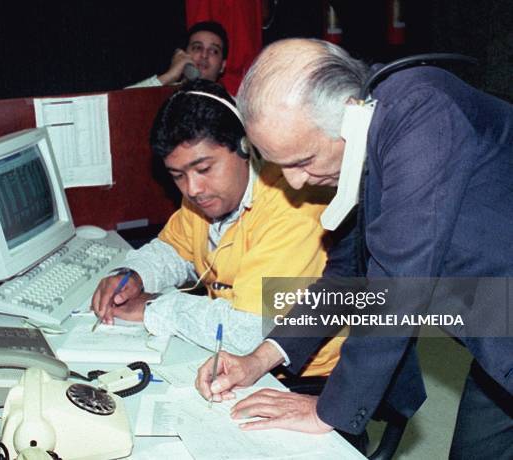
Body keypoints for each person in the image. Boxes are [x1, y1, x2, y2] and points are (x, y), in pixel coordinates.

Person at [195, 38, 513, 459]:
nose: (294, 182)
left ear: (348, 115)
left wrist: (330, 412)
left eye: (302, 160)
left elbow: (398, 285)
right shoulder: (370, 131)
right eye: (278, 164)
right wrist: (259, 358)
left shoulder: (421, 113)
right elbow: (349, 276)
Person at [92, 78, 344, 378]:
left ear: (244, 147)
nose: (193, 189)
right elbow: (173, 251)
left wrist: (154, 307)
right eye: (178, 175)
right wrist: (133, 275)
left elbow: (250, 331)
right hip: (233, 355)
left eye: (204, 169)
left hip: (302, 377)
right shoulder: (206, 199)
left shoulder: (293, 207)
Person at [127, 21, 228, 88]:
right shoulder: (164, 93)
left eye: (214, 51)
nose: (204, 55)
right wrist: (169, 76)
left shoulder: (233, 107)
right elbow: (116, 106)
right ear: (182, 55)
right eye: (197, 47)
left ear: (222, 66)